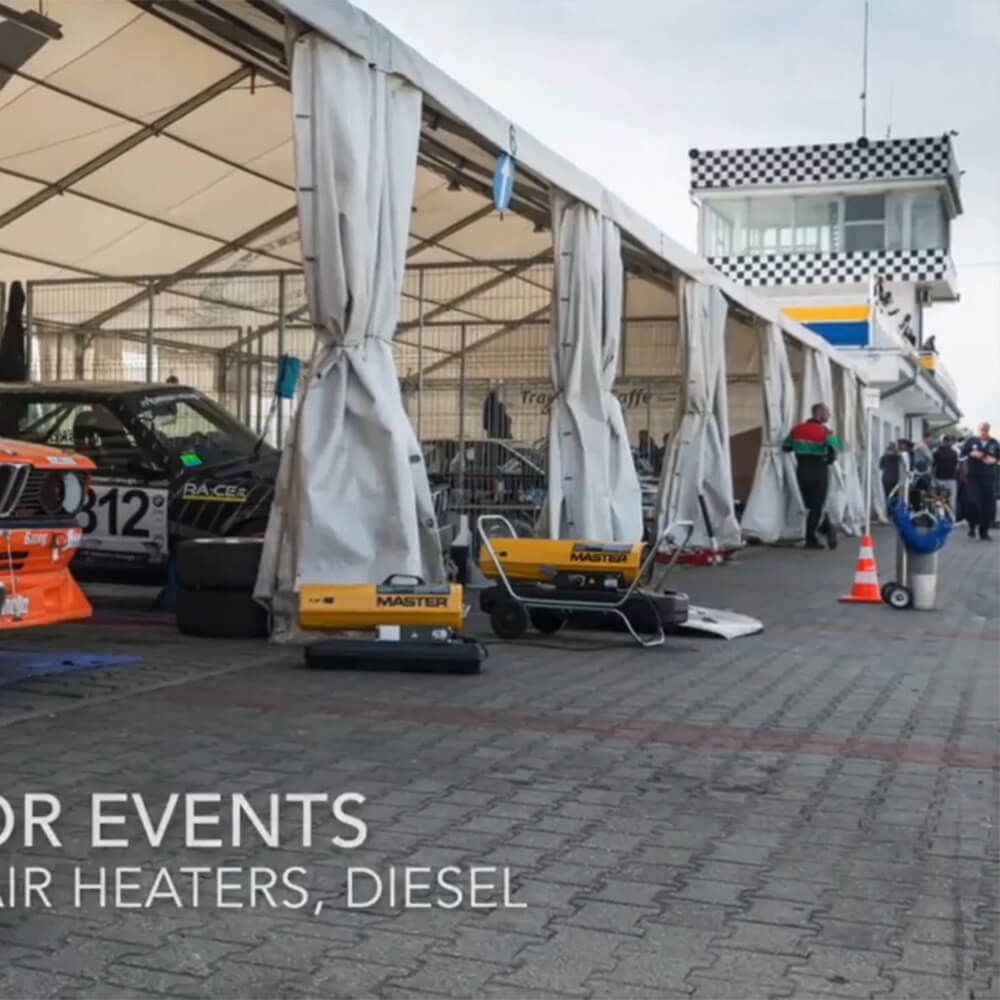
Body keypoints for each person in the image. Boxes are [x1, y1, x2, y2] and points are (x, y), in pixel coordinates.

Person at [783, 402, 839, 549]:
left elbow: (786, 447)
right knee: (818, 505)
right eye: (827, 412)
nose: (829, 415)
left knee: (810, 504)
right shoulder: (825, 432)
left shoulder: (796, 429)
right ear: (819, 413)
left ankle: (825, 528)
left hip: (802, 470)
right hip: (819, 471)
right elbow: (834, 452)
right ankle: (814, 536)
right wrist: (828, 456)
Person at [960, 422, 999, 540]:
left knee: (987, 504)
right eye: (982, 429)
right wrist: (971, 454)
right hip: (973, 477)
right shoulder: (971, 441)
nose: (984, 432)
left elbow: (998, 457)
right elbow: (961, 456)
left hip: (988, 477)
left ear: (989, 430)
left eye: (986, 429)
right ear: (978, 430)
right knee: (973, 502)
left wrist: (994, 460)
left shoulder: (994, 443)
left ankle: (984, 531)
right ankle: (972, 526)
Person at [932, 434, 960, 515]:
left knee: (939, 501)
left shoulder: (936, 452)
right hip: (951, 479)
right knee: (952, 501)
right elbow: (957, 467)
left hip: (939, 479)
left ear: (942, 442)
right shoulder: (954, 453)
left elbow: (933, 465)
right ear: (950, 442)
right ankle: (952, 518)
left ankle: (938, 517)